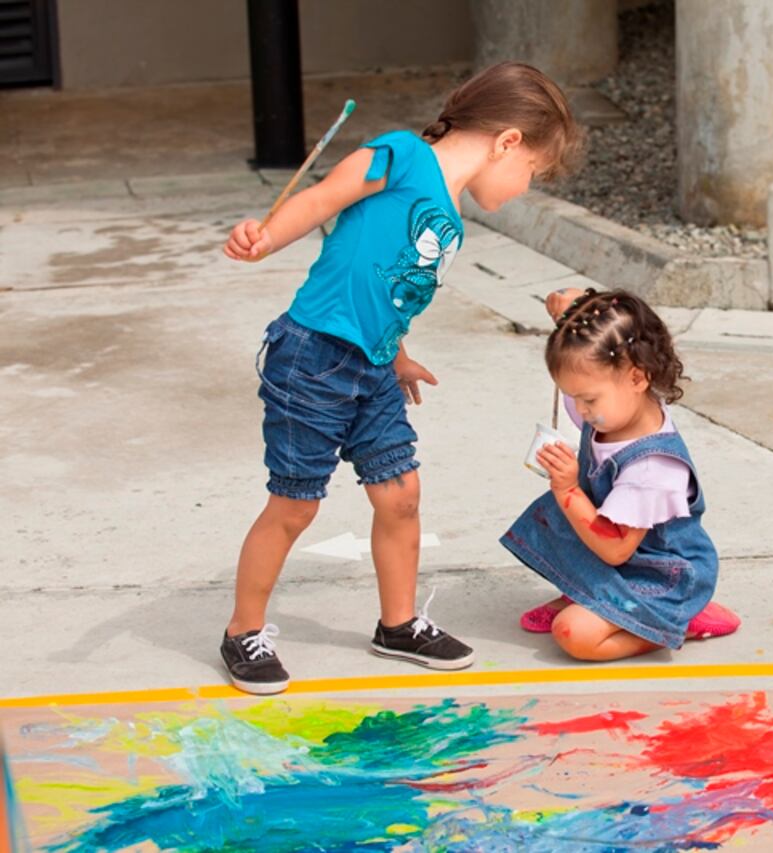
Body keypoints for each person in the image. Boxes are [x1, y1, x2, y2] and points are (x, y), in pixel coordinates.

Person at [219, 62, 582, 695]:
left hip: (372, 365)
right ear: (507, 143)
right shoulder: (401, 155)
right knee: (295, 503)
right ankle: (241, 631)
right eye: (532, 173)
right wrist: (264, 236)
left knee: (401, 494)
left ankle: (399, 624)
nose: (525, 188)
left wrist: (398, 351)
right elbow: (318, 200)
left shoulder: (451, 217)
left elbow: (389, 289)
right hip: (313, 356)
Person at [502, 287, 740, 661]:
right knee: (570, 518)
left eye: (588, 400)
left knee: (572, 633)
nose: (579, 409)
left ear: (637, 378)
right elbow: (599, 352)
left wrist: (568, 490)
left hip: (660, 576)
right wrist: (571, 319)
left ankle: (676, 621)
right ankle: (590, 592)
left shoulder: (652, 467)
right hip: (628, 559)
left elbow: (614, 548)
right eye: (573, 397)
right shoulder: (612, 398)